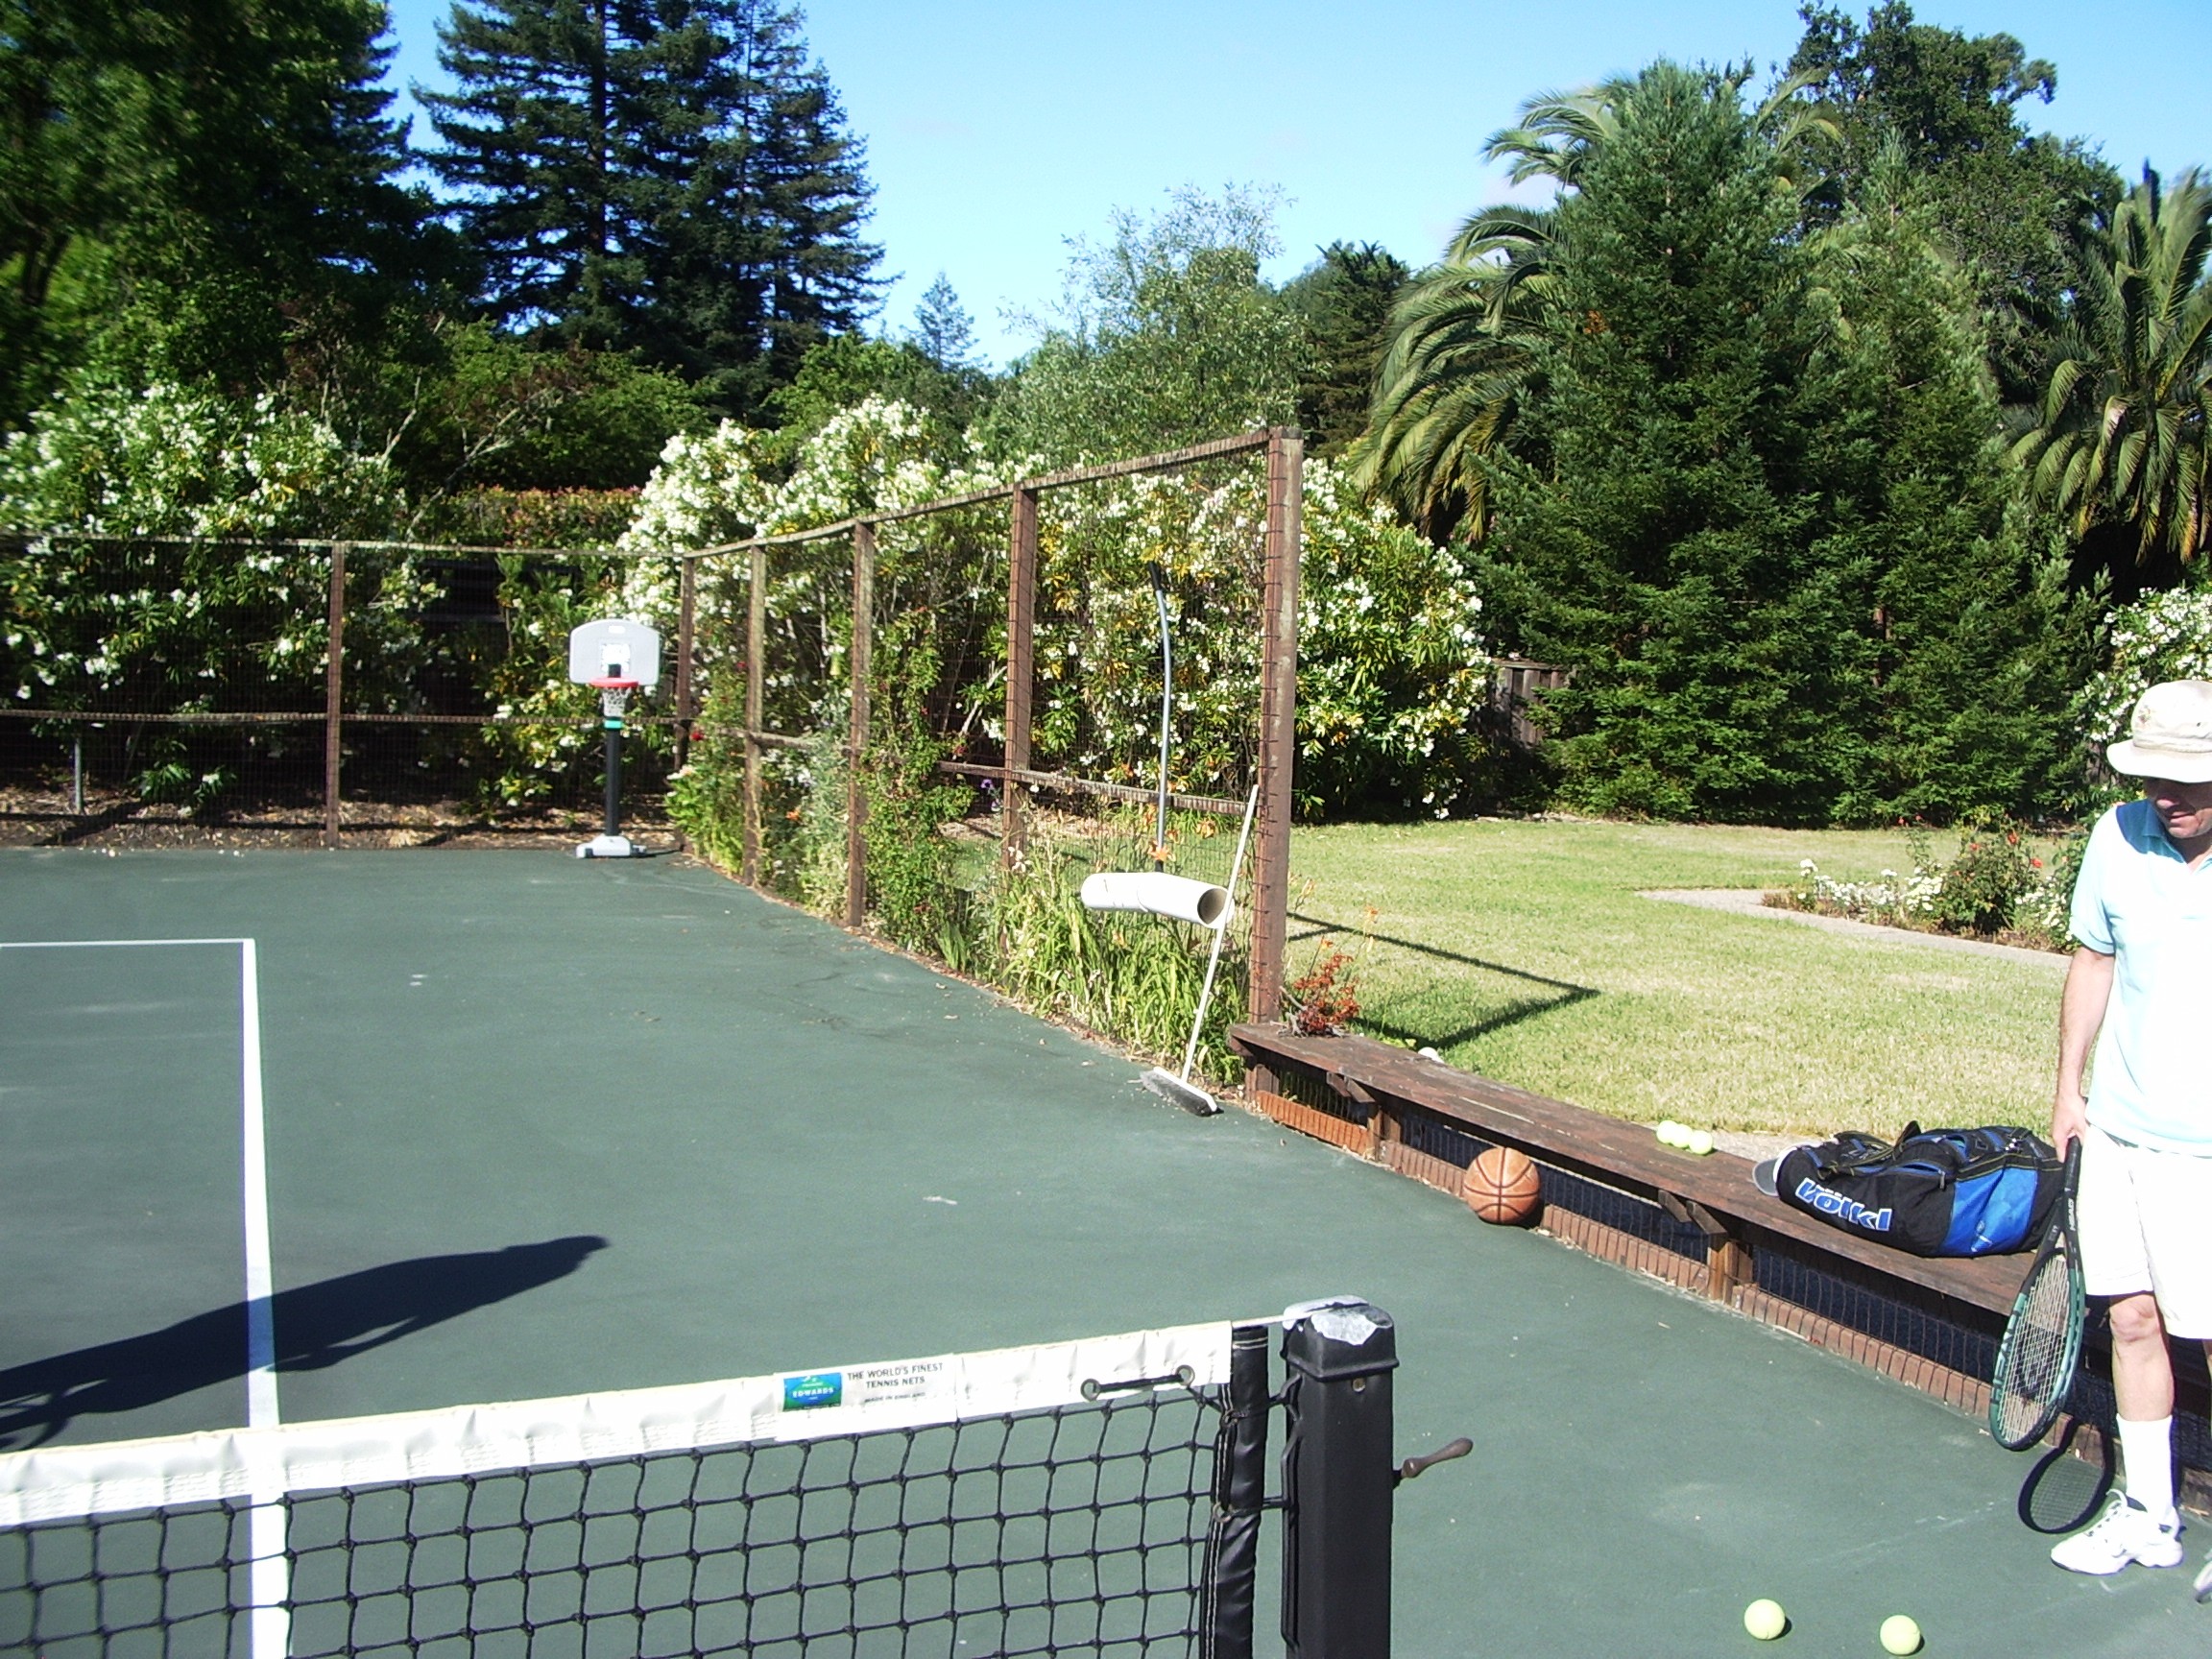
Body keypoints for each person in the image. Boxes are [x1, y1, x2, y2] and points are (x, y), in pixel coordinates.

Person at [2048, 679, 2212, 1586]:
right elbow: (2093, 960)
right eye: (2152, 777)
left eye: (2187, 780)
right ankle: (2150, 1513)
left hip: (2206, 1151)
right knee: (2134, 1318)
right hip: (2117, 1129)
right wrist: (2070, 1093)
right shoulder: (2117, 834)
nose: (2167, 796)